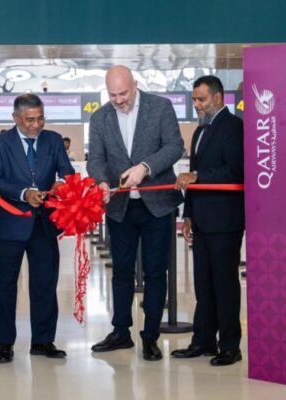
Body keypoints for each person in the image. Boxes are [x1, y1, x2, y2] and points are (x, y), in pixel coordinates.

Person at [86, 65, 184, 361]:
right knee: (121, 271)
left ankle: (151, 336)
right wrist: (102, 181)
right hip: (120, 207)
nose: (118, 100)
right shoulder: (100, 117)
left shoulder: (160, 107)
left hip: (157, 206)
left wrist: (145, 167)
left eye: (123, 93)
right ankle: (121, 332)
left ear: (136, 84)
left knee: (155, 271)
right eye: (112, 95)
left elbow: (174, 147)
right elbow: (96, 159)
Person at [0, 94, 74, 363]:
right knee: (5, 285)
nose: (37, 125)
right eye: (30, 120)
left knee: (45, 284)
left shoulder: (53, 140)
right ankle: (5, 343)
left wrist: (62, 183)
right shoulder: (0, 143)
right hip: (11, 224)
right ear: (15, 118)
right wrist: (24, 193)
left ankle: (43, 340)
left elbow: (67, 171)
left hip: (44, 225)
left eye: (41, 118)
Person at [172, 75, 244, 366]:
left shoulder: (234, 127)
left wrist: (198, 176)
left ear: (217, 97)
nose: (197, 105)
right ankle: (203, 341)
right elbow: (193, 177)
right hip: (201, 219)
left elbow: (235, 170)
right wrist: (188, 214)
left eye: (201, 99)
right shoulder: (200, 131)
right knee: (203, 285)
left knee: (225, 284)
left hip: (225, 220)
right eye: (194, 100)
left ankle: (230, 346)